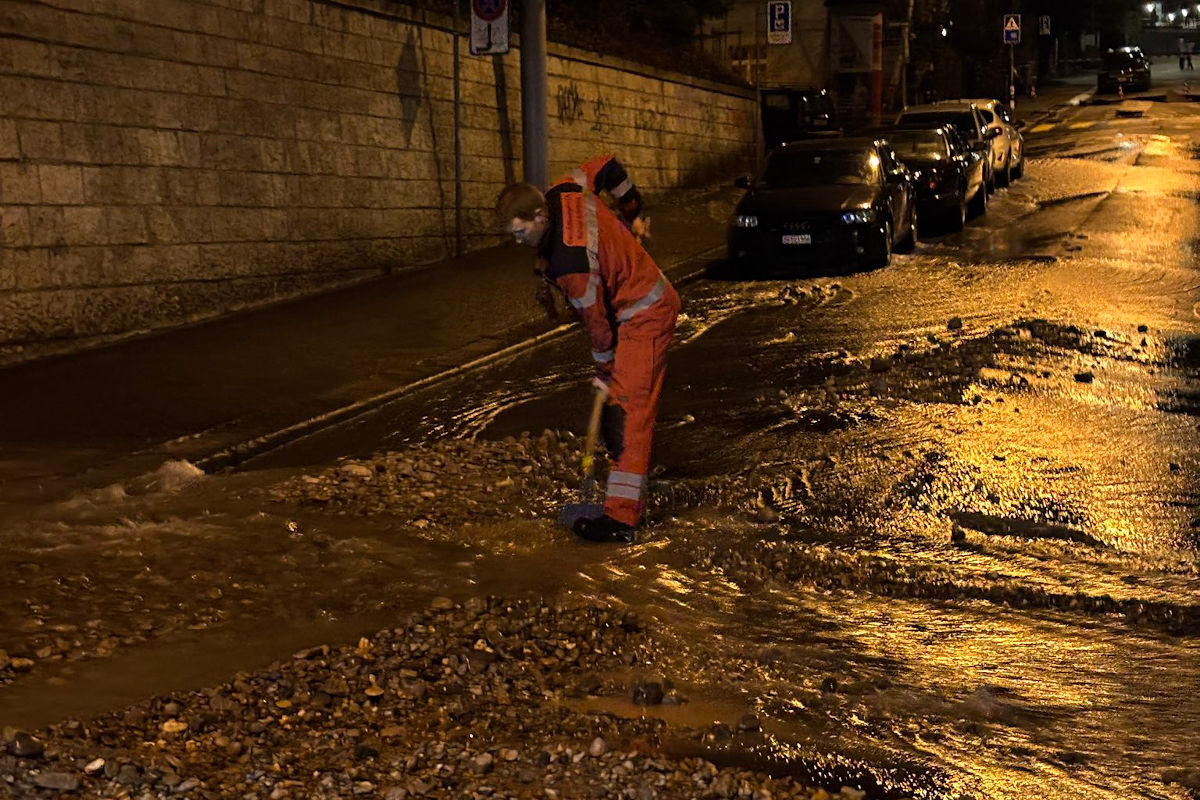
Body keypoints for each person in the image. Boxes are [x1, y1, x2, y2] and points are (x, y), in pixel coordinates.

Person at [496, 158, 680, 544]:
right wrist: (635, 212)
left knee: (627, 412)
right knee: (623, 406)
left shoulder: (572, 266)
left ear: (539, 215)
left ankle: (621, 520)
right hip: (631, 307)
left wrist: (603, 373)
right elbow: (608, 168)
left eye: (521, 232)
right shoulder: (566, 189)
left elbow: (599, 330)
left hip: (644, 313)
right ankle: (636, 491)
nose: (518, 242)